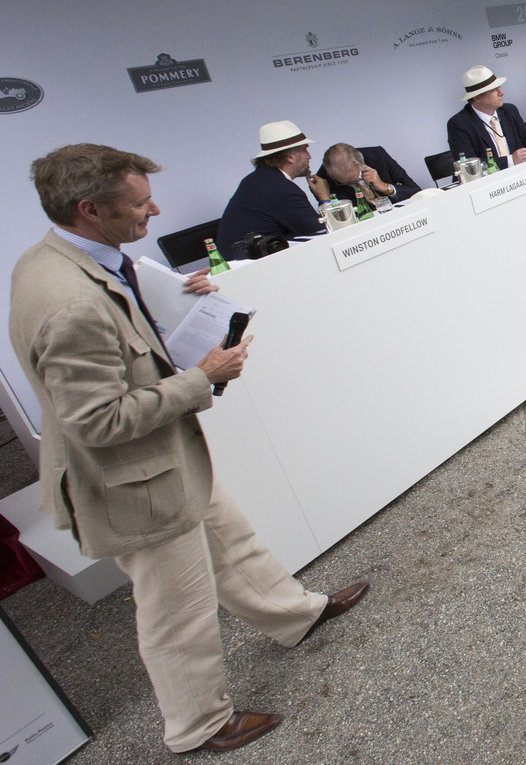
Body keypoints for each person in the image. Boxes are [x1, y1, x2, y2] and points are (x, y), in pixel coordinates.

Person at [10, 144, 368, 754]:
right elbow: (96, 421)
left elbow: (117, 345)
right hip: (130, 481)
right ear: (89, 208)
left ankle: (293, 614)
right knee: (176, 611)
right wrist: (203, 375)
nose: (155, 210)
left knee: (231, 540)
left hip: (159, 462)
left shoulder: (64, 258)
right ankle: (197, 724)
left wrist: (168, 304)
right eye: (140, 202)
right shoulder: (67, 303)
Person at [215, 121, 325, 258]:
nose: (309, 156)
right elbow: (323, 233)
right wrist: (324, 198)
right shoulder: (283, 190)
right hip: (252, 271)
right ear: (290, 156)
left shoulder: (256, 179)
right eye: (305, 150)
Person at [448, 65, 526, 168]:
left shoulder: (509, 111)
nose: (501, 93)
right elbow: (468, 165)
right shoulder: (459, 124)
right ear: (477, 97)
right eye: (494, 90)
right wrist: (510, 160)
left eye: (499, 88)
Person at [313, 142, 422, 205]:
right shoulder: (322, 180)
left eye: (355, 179)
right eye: (345, 183)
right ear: (331, 174)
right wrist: (324, 199)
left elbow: (416, 192)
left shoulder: (377, 156)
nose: (352, 184)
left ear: (361, 163)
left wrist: (385, 187)